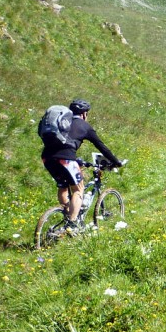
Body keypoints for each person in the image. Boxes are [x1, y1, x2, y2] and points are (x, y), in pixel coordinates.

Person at [41, 99, 123, 232]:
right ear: (84, 114)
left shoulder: (61, 123)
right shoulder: (84, 126)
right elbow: (102, 148)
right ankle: (72, 224)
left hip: (47, 157)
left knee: (63, 187)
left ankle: (68, 214)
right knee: (78, 190)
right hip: (66, 159)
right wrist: (116, 161)